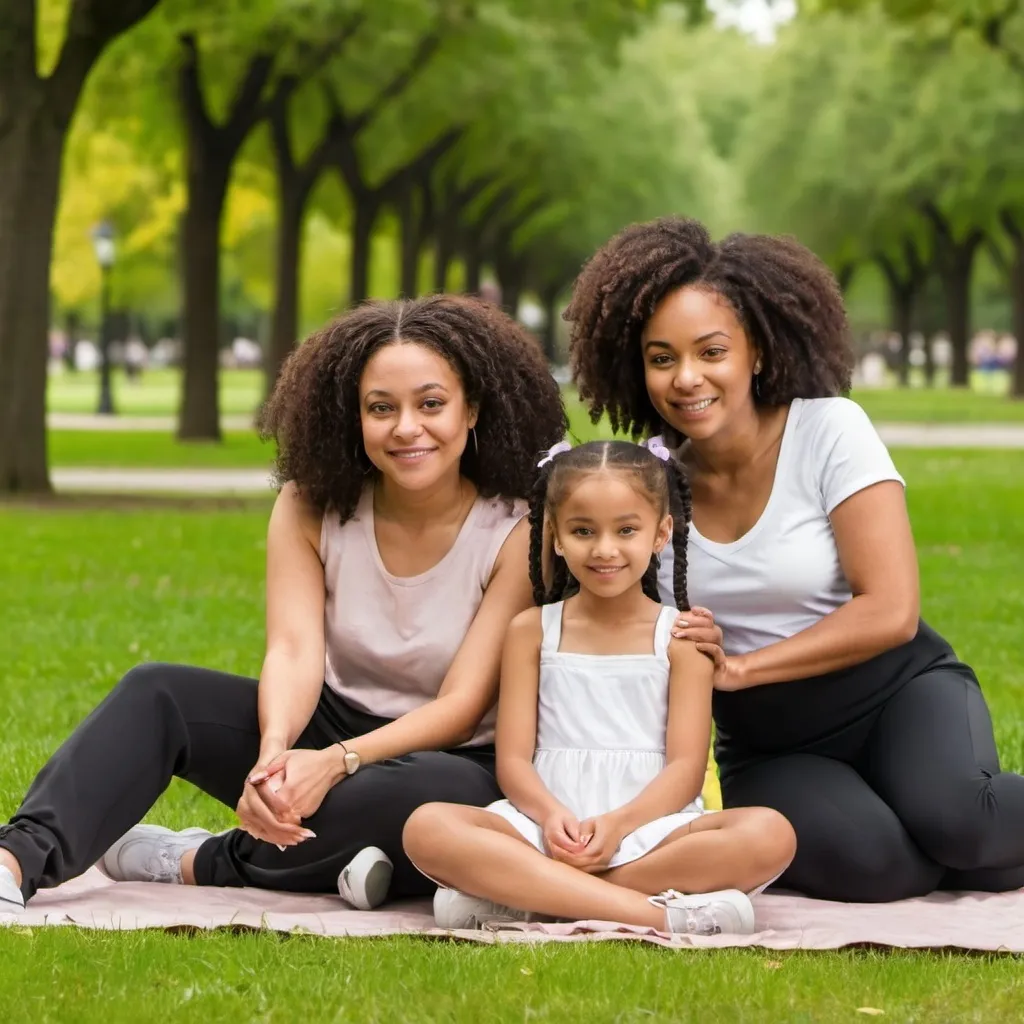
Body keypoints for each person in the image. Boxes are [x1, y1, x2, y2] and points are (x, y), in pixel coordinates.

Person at [0, 296, 567, 915]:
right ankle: (15, 860)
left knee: (422, 800)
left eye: (431, 404)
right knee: (157, 691)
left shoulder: (517, 528)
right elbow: (294, 650)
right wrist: (273, 757)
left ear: (473, 410)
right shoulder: (308, 505)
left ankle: (202, 860)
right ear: (353, 416)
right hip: (325, 723)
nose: (406, 427)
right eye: (382, 408)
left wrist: (333, 764)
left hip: (450, 758)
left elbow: (461, 707)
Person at [564, 216, 1024, 903]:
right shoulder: (649, 493)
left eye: (710, 351)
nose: (687, 378)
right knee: (883, 870)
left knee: (964, 827)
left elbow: (891, 610)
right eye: (662, 359)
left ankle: (966, 837)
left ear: (755, 352)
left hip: (898, 693)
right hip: (773, 746)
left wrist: (744, 667)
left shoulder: (829, 429)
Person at [403, 440, 795, 934]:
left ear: (661, 533)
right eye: (583, 530)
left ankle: (532, 896)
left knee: (770, 833)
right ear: (556, 537)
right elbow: (514, 760)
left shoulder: (682, 639)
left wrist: (617, 825)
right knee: (428, 827)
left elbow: (686, 769)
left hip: (650, 825)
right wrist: (550, 817)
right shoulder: (530, 630)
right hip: (547, 823)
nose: (605, 549)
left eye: (626, 530)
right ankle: (654, 914)